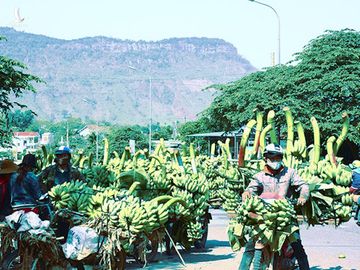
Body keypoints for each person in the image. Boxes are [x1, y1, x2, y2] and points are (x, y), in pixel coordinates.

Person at [239, 143, 310, 270]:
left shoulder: (290, 173)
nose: (275, 161)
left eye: (278, 158)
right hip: (265, 215)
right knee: (250, 246)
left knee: (297, 245)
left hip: (285, 215)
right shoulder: (259, 176)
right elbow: (251, 189)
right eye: (272, 158)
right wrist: (247, 193)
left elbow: (303, 185)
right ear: (266, 158)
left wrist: (303, 196)